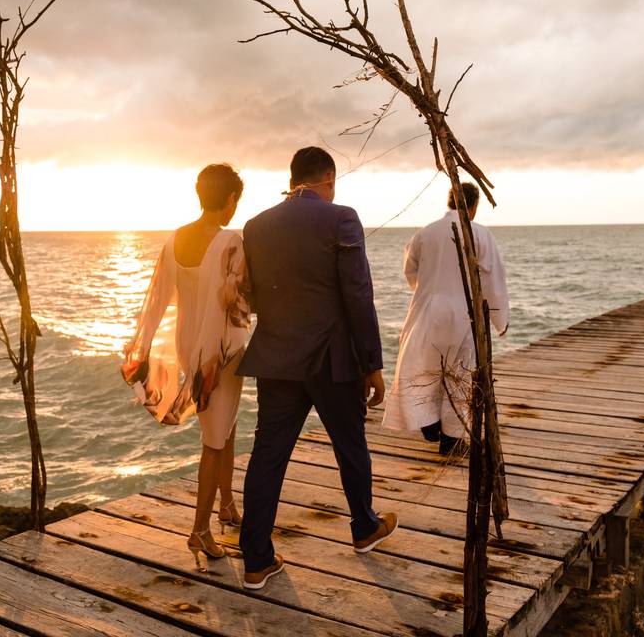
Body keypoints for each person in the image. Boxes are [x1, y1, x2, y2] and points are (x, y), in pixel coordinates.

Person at [236, 146, 398, 591]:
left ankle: (256, 559)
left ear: (292, 180)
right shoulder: (341, 217)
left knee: (268, 455)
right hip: (333, 360)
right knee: (349, 444)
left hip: (277, 359)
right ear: (328, 177)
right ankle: (364, 527)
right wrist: (373, 364)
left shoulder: (256, 226)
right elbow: (358, 295)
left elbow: (254, 294)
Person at [121, 163, 251, 568]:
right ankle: (199, 530)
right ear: (230, 200)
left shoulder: (175, 240)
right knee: (214, 441)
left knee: (224, 425)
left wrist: (140, 351)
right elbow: (241, 302)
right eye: (236, 201)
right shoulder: (232, 241)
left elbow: (157, 300)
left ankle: (227, 505)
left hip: (188, 345)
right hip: (220, 353)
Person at [382, 182, 509, 455]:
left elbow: (410, 269)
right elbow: (493, 277)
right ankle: (451, 439)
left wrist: (425, 287)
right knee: (459, 374)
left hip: (428, 309)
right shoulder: (480, 234)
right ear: (473, 206)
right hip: (464, 312)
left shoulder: (425, 233)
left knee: (422, 368)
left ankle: (428, 422)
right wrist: (500, 319)